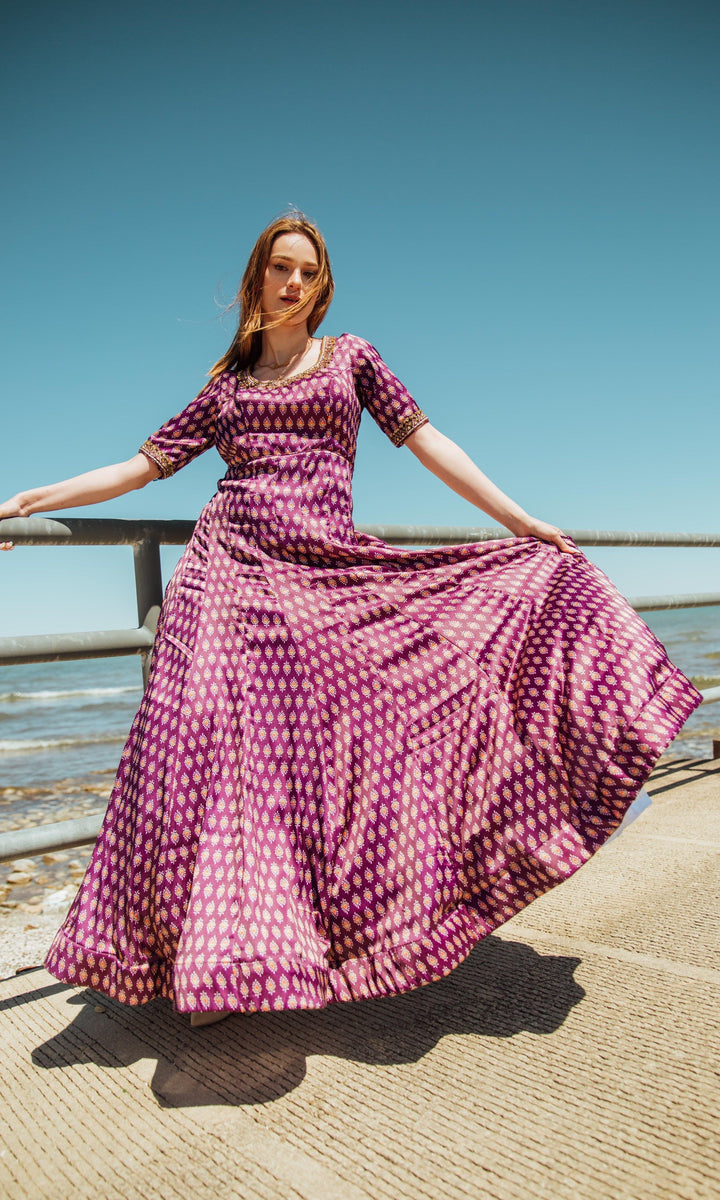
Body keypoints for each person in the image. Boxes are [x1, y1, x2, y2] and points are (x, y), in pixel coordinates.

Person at [0, 211, 702, 1028]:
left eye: (308, 273)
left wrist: (520, 522)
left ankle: (324, 929)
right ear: (256, 278)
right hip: (225, 583)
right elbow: (139, 467)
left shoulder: (353, 359)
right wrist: (30, 500)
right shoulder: (224, 389)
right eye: (281, 269)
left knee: (352, 744)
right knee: (214, 763)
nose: (294, 284)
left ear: (320, 286)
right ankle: (219, 964)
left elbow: (427, 440)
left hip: (322, 576)